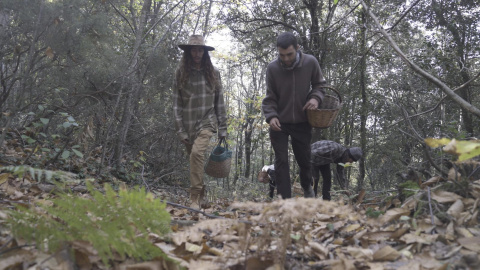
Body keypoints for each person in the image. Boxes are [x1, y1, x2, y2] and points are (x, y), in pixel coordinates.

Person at [262, 32, 327, 199]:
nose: (285, 59)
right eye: (281, 55)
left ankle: (307, 187)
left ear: (298, 48)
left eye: (289, 54)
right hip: (279, 123)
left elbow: (319, 85)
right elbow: (270, 97)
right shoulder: (272, 68)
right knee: (281, 160)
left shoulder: (310, 62)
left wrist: (315, 99)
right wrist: (271, 116)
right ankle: (285, 199)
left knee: (304, 160)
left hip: (302, 121)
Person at [173, 35, 227, 209]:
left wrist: (223, 128)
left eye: (200, 50)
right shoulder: (180, 73)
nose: (197, 53)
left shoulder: (213, 73)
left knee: (197, 154)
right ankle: (202, 195)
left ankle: (194, 197)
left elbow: (220, 102)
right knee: (194, 158)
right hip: (188, 125)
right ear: (188, 52)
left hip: (207, 121)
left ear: (205, 52)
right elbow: (176, 104)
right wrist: (180, 130)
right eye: (194, 50)